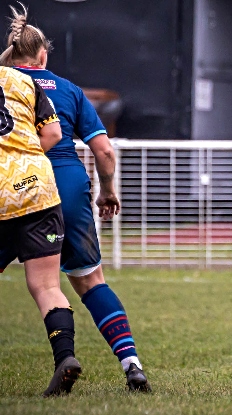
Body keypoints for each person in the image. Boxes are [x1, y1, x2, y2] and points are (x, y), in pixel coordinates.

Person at [0, 3, 151, 391]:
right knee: (89, 280)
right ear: (43, 55)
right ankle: (131, 363)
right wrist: (107, 192)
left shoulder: (5, 83)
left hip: (9, 185)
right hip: (62, 186)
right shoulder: (66, 90)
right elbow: (104, 151)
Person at [0, 60, 80, 396]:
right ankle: (65, 358)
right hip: (37, 187)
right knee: (47, 286)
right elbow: (53, 133)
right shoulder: (23, 81)